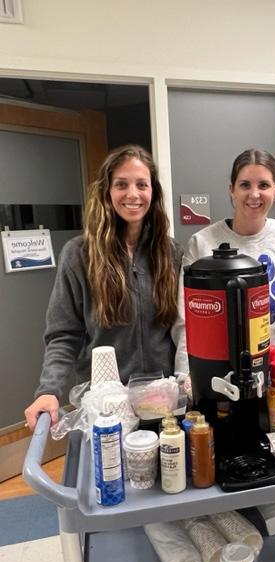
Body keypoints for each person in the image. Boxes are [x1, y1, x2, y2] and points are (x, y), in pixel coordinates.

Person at [25, 145, 183, 429]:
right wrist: (48, 390)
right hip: (105, 407)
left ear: (153, 193)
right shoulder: (80, 254)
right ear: (107, 192)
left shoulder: (170, 252)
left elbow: (183, 328)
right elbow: (64, 334)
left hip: (161, 402)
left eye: (142, 185)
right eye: (121, 184)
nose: (132, 194)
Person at [173, 148, 275, 375]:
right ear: (231, 190)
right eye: (245, 185)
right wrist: (185, 376)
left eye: (264, 185)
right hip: (215, 372)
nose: (254, 194)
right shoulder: (201, 243)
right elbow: (185, 322)